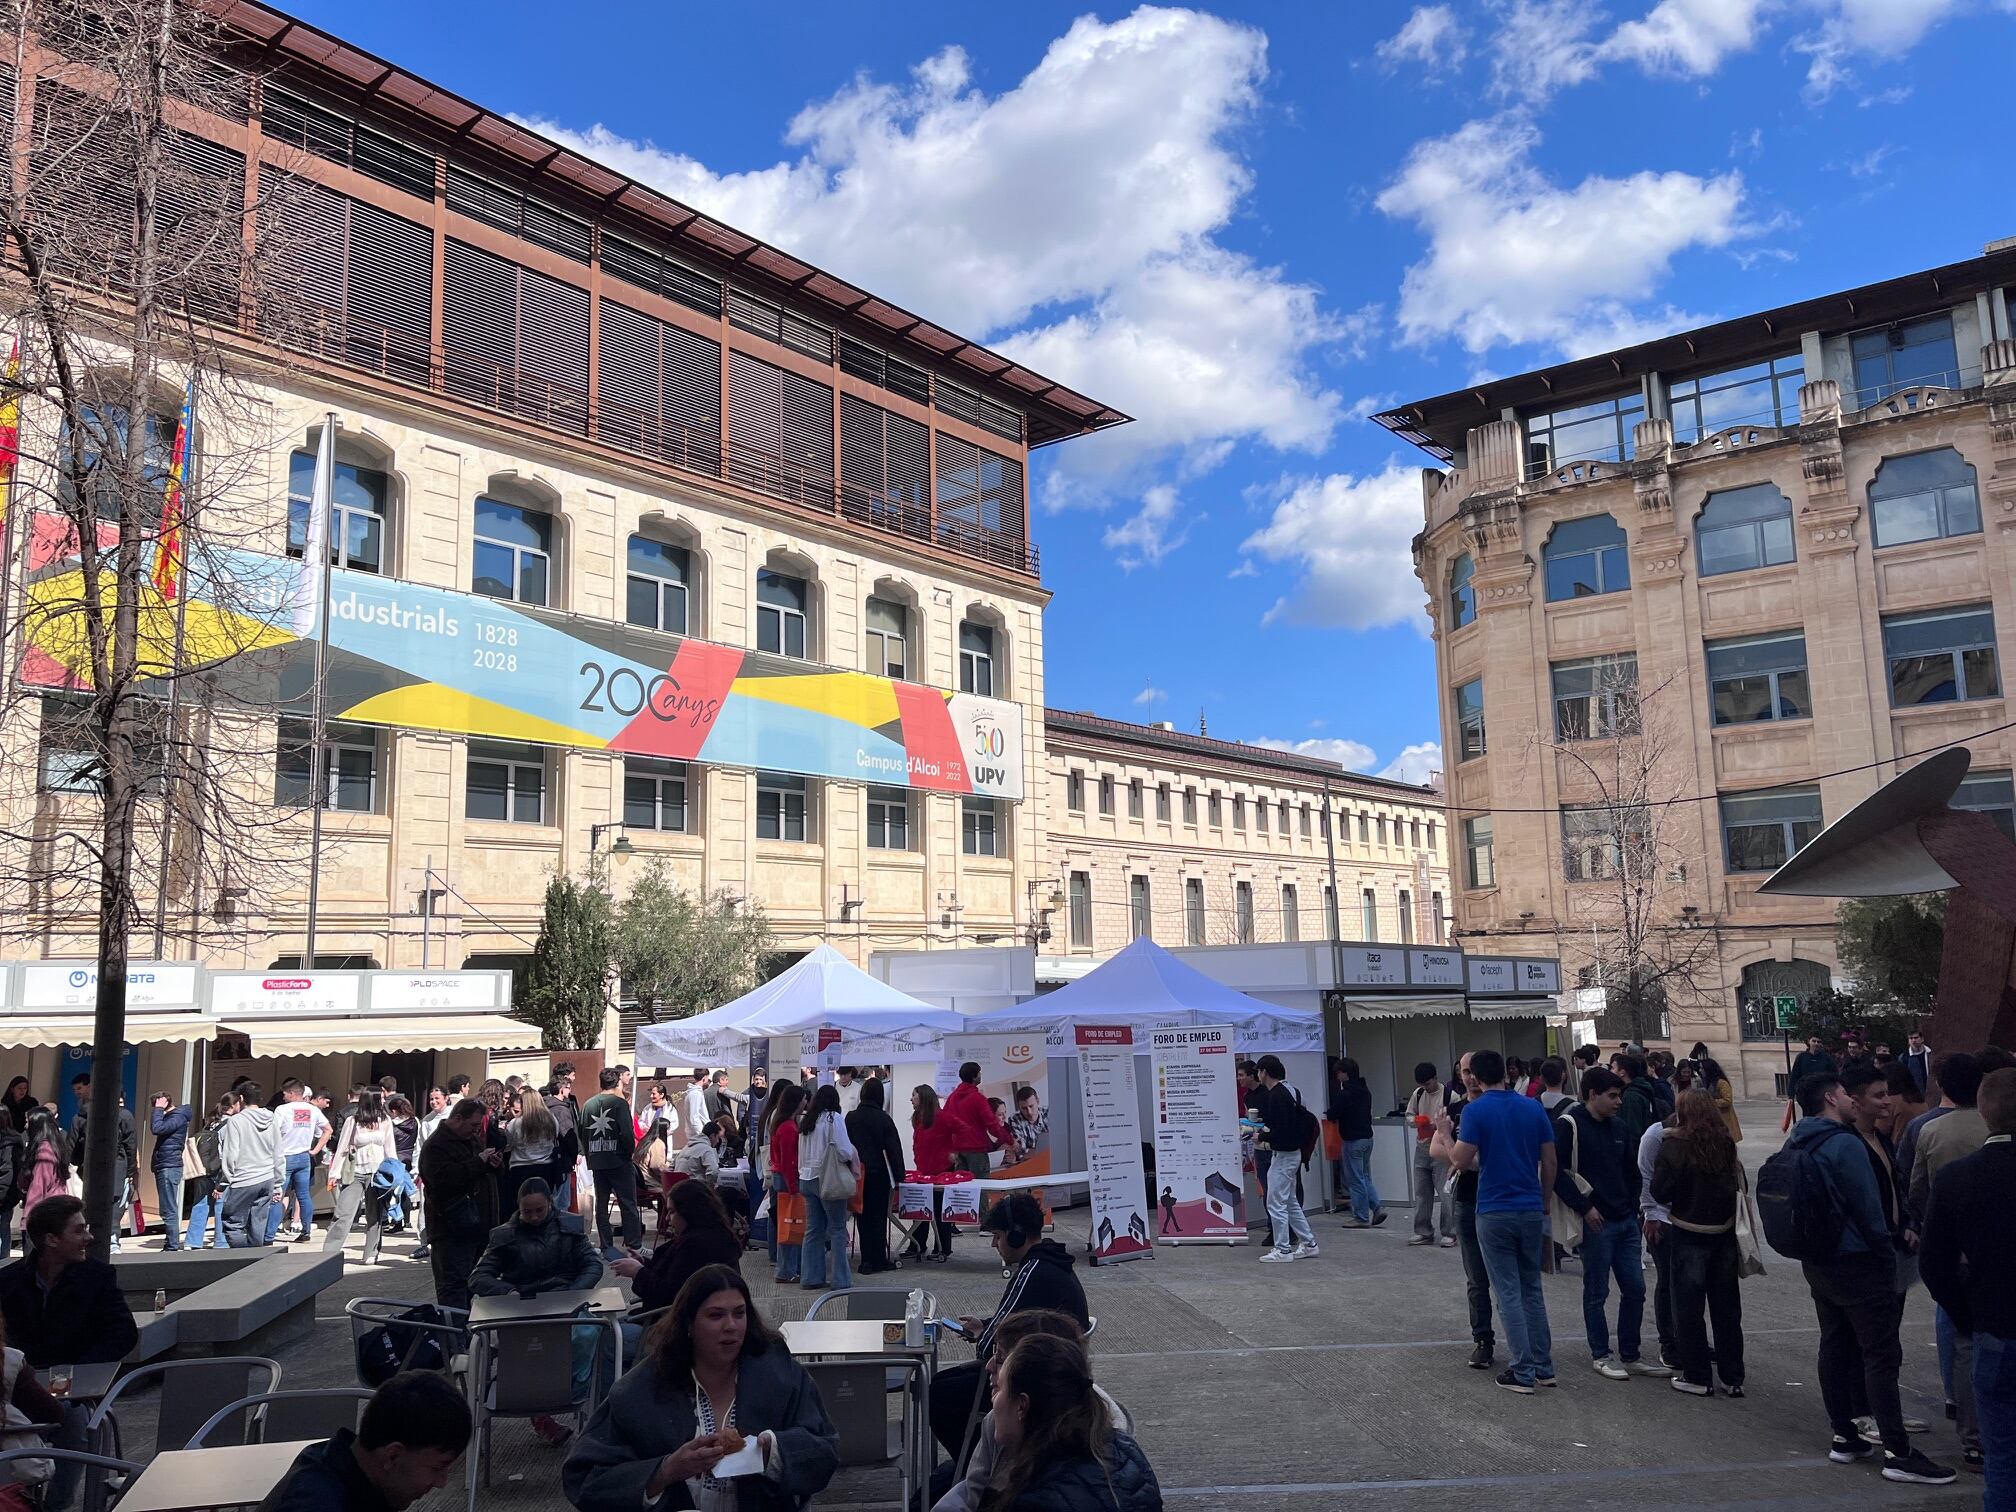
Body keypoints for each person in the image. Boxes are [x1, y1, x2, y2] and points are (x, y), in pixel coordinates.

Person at [563, 1264, 839, 1512]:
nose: (731, 1326)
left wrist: (773, 1450)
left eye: (739, 1313)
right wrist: (664, 1471)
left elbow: (825, 1452)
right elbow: (584, 1480)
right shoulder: (642, 1389)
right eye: (716, 1315)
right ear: (689, 1325)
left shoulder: (782, 1377)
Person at [1788, 1072, 1953, 1484]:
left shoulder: (1800, 1139)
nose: (1881, 1102)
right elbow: (1869, 1210)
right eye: (1847, 1092)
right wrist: (1886, 1255)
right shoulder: (1845, 1143)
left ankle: (1844, 1435)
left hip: (1821, 1260)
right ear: (1833, 1098)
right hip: (1859, 1262)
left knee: (1835, 1342)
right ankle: (1897, 1452)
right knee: (1880, 1354)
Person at [0, 1196, 140, 1509]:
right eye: (79, 1231)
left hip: (75, 1390)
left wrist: (79, 1371)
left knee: (75, 1419)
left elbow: (123, 1333)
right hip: (20, 1389)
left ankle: (56, 1507)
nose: (89, 1238)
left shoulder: (97, 1277)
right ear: (51, 1240)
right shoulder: (8, 1283)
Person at [927, 1194, 1089, 1458]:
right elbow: (1016, 1319)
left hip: (1034, 1381)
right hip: (1055, 1372)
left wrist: (985, 1334)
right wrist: (987, 1325)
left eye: (998, 1236)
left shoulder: (1032, 1271)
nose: (994, 1244)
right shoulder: (1050, 1262)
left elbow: (989, 1348)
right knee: (945, 1383)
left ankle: (979, 1464)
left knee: (938, 1393)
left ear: (1016, 1236)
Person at [1921, 1066, 2016, 1503]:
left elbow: (1935, 1265)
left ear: (1983, 1111)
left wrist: (1967, 1315)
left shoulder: (1959, 1178)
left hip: (1995, 1327)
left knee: (2003, 1459)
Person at [1448, 1049, 1557, 1394]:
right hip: (1529, 1207)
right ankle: (1544, 1366)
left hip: (1494, 1208)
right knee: (1532, 1290)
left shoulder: (1475, 1110)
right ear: (1506, 1074)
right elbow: (1550, 1160)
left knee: (1507, 1291)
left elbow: (1460, 1160)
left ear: (1476, 1078)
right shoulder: (1533, 1106)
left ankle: (1522, 1370)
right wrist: (1543, 1199)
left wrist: (1443, 1133)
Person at [470, 1176, 607, 1441]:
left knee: (588, 1333)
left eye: (539, 1211)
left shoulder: (569, 1227)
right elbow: (478, 1276)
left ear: (551, 1204)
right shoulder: (504, 1235)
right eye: (527, 1212)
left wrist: (573, 1295)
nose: (533, 1217)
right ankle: (542, 1401)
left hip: (564, 1303)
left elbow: (592, 1264)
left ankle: (570, 1394)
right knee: (525, 1345)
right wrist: (507, 1292)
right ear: (519, 1208)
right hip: (521, 1307)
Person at [1552, 1067, 1664, 1381]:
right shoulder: (1570, 1125)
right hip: (1596, 1223)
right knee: (1596, 1291)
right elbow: (1556, 1172)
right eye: (1612, 1096)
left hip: (1626, 1220)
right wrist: (1585, 1208)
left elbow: (1632, 1171)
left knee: (1635, 1289)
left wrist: (1634, 1207)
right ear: (1592, 1095)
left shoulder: (1619, 1127)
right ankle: (1601, 1354)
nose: (1618, 1102)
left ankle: (1630, 1353)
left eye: (1619, 1096)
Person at [1907, 1051, 1989, 1470]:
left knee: (1963, 1343)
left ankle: (1972, 1435)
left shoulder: (1931, 1132)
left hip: (1954, 1250)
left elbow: (1918, 1189)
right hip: (1997, 1250)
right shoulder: (1996, 1127)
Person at [978, 1335, 1162, 1512]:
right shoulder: (1124, 1448)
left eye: (1000, 1388)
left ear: (1022, 1406)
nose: (994, 1399)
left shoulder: (1037, 1501)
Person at [257, 1367, 470, 1512]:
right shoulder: (316, 1501)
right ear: (393, 1455)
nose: (442, 1483)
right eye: (437, 1468)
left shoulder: (349, 1469)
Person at [1652, 1089, 1746, 1398]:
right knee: (1727, 1309)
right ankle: (1733, 1377)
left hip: (1688, 1231)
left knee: (1688, 1309)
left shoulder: (1674, 1145)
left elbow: (1660, 1191)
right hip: (1723, 1233)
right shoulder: (1726, 1143)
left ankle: (1697, 1375)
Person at [1430, 1053, 1495, 1370]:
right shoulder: (1454, 1110)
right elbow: (1435, 1149)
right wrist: (1464, 1156)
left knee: (1507, 1280)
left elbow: (1463, 1155)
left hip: (1498, 1200)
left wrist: (1457, 1153)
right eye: (1464, 1071)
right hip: (1467, 1199)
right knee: (1476, 1278)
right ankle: (1483, 1340)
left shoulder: (1494, 1107)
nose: (1469, 1077)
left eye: (1473, 1071)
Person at [616, 1178, 744, 1317]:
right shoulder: (717, 1237)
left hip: (671, 1326)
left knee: (603, 1333)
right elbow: (674, 1276)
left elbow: (668, 1295)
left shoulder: (694, 1246)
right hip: (680, 1320)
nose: (666, 1219)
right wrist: (645, 1264)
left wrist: (638, 1271)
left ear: (688, 1212)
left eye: (671, 1212)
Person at [418, 1097, 501, 1311]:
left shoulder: (470, 1140)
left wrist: (492, 1164)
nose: (476, 1130)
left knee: (472, 1283)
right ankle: (454, 1335)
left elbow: (478, 1170)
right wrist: (479, 1162)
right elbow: (443, 1180)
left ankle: (468, 1333)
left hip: (476, 1225)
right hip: (451, 1228)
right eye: (473, 1125)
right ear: (457, 1119)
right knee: (453, 1287)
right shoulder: (436, 1146)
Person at [1251, 1055, 1317, 1262]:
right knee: (1290, 1202)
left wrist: (1260, 1136)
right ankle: (1308, 1243)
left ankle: (1283, 1249)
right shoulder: (1292, 1091)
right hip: (1293, 1153)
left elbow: (1281, 1129)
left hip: (1283, 1155)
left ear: (1264, 1072)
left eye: (1259, 1071)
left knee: (1275, 1203)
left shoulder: (1276, 1096)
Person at [796, 1084, 859, 1292]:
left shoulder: (806, 1121)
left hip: (806, 1177)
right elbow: (843, 1151)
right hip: (828, 1179)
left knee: (813, 1229)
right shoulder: (834, 1119)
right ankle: (841, 1279)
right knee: (838, 1229)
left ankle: (810, 1277)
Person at [323, 1089, 395, 1264]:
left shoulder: (385, 1121)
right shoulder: (352, 1122)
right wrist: (334, 1173)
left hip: (377, 1173)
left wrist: (394, 1172)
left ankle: (371, 1251)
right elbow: (342, 1148)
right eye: (381, 1098)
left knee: (374, 1214)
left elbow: (390, 1149)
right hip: (355, 1171)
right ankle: (328, 1252)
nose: (384, 1101)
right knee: (344, 1212)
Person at [846, 1077, 905, 1275]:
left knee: (861, 1217)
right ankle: (878, 1258)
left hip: (857, 1174)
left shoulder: (851, 1118)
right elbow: (894, 1149)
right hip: (879, 1173)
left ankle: (866, 1260)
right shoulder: (884, 1119)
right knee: (878, 1217)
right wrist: (899, 1176)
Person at [583, 1067, 642, 1261]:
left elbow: (583, 1133)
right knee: (628, 1202)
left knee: (601, 1204)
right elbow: (626, 1132)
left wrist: (590, 1155)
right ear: (617, 1082)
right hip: (618, 1159)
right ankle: (634, 1246)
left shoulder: (588, 1104)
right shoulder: (620, 1104)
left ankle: (606, 1245)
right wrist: (629, 1152)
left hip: (597, 1159)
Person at [70, 1090, 136, 1250]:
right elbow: (130, 1145)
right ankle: (112, 1241)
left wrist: (75, 1165)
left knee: (89, 1203)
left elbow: (72, 1145)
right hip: (117, 1166)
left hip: (88, 1168)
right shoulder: (125, 1116)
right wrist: (132, 1171)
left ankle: (89, 1237)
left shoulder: (80, 1116)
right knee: (114, 1204)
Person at [219, 1086, 284, 1248]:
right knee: (258, 1223)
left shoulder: (236, 1121)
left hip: (244, 1178)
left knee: (232, 1223)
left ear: (241, 1098)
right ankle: (256, 1258)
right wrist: (278, 1182)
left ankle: (242, 1257)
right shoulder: (272, 1118)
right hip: (267, 1177)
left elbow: (230, 1154)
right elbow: (278, 1151)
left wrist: (226, 1180)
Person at [269, 1080, 331, 1244]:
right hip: (304, 1157)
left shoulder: (282, 1110)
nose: (283, 1097)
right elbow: (328, 1130)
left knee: (277, 1195)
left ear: (291, 1093)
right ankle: (306, 1230)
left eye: (284, 1094)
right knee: (304, 1196)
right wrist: (315, 1150)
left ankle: (269, 1234)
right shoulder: (312, 1110)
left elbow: (273, 1133)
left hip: (285, 1157)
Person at [1404, 1064, 1455, 1248]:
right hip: (1422, 1147)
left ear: (1435, 1078)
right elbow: (1409, 1114)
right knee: (1421, 1192)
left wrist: (1438, 1125)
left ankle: (1450, 1232)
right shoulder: (1418, 1094)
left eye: (1428, 1083)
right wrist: (1417, 1121)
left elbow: (1455, 1120)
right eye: (1422, 1084)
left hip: (1442, 1149)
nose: (1426, 1087)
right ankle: (1423, 1231)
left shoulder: (1450, 1095)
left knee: (1445, 1192)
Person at [1330, 1058, 1383, 1229]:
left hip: (1352, 1140)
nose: (1337, 1076)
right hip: (1367, 1138)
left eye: (1339, 1072)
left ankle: (1361, 1216)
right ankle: (1376, 1207)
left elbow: (1333, 1113)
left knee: (1355, 1179)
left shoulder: (1345, 1094)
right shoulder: (1365, 1091)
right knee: (1365, 1176)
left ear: (1345, 1073)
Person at [906, 1084, 956, 1263]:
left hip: (940, 1172)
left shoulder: (941, 1117)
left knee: (939, 1211)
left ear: (923, 1098)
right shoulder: (919, 1118)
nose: (911, 1099)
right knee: (920, 1209)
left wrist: (954, 1153)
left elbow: (961, 1130)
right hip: (924, 1171)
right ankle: (917, 1244)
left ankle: (943, 1248)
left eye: (914, 1095)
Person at [944, 1062, 1011, 1179]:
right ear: (975, 1077)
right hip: (976, 1151)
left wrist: (950, 1148)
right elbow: (992, 1124)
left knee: (962, 1190)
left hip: (959, 1151)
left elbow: (945, 1121)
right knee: (981, 1189)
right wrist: (1009, 1140)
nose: (980, 1075)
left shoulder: (952, 1097)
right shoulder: (978, 1098)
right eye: (979, 1072)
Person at [767, 1083, 805, 1283]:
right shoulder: (790, 1128)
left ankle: (787, 1269)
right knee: (792, 1224)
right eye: (803, 1099)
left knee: (786, 1224)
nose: (806, 1102)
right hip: (786, 1179)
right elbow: (790, 1161)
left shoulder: (780, 1124)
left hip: (779, 1177)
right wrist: (794, 1188)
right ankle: (788, 1270)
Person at [146, 1092, 191, 1253]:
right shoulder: (175, 1117)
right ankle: (170, 1242)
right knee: (167, 1207)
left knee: (169, 1208)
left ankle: (172, 1245)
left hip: (169, 1166)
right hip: (166, 1165)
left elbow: (157, 1128)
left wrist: (158, 1110)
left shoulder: (177, 1117)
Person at [504, 1092, 561, 1215]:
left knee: (521, 1206)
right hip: (546, 1167)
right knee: (543, 1206)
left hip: (520, 1168)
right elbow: (555, 1137)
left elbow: (508, 1144)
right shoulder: (551, 1120)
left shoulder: (515, 1123)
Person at [1695, 1057, 1742, 1144]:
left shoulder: (1722, 1083)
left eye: (1702, 1068)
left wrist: (1710, 1102)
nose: (1700, 1070)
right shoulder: (1704, 1082)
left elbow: (1727, 1100)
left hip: (1724, 1119)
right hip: (1712, 1119)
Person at [1006, 1085, 1049, 1162]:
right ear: (1019, 1107)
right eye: (1024, 1108)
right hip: (1030, 1163)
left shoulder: (1049, 1113)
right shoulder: (1014, 1119)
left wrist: (1031, 1151)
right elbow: (1021, 1152)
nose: (1029, 1112)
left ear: (1038, 1101)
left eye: (1031, 1106)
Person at [682, 1070, 712, 1153]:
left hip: (698, 1133)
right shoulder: (695, 1094)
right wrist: (702, 1134)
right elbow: (694, 1117)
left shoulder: (695, 1093)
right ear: (705, 1078)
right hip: (697, 1134)